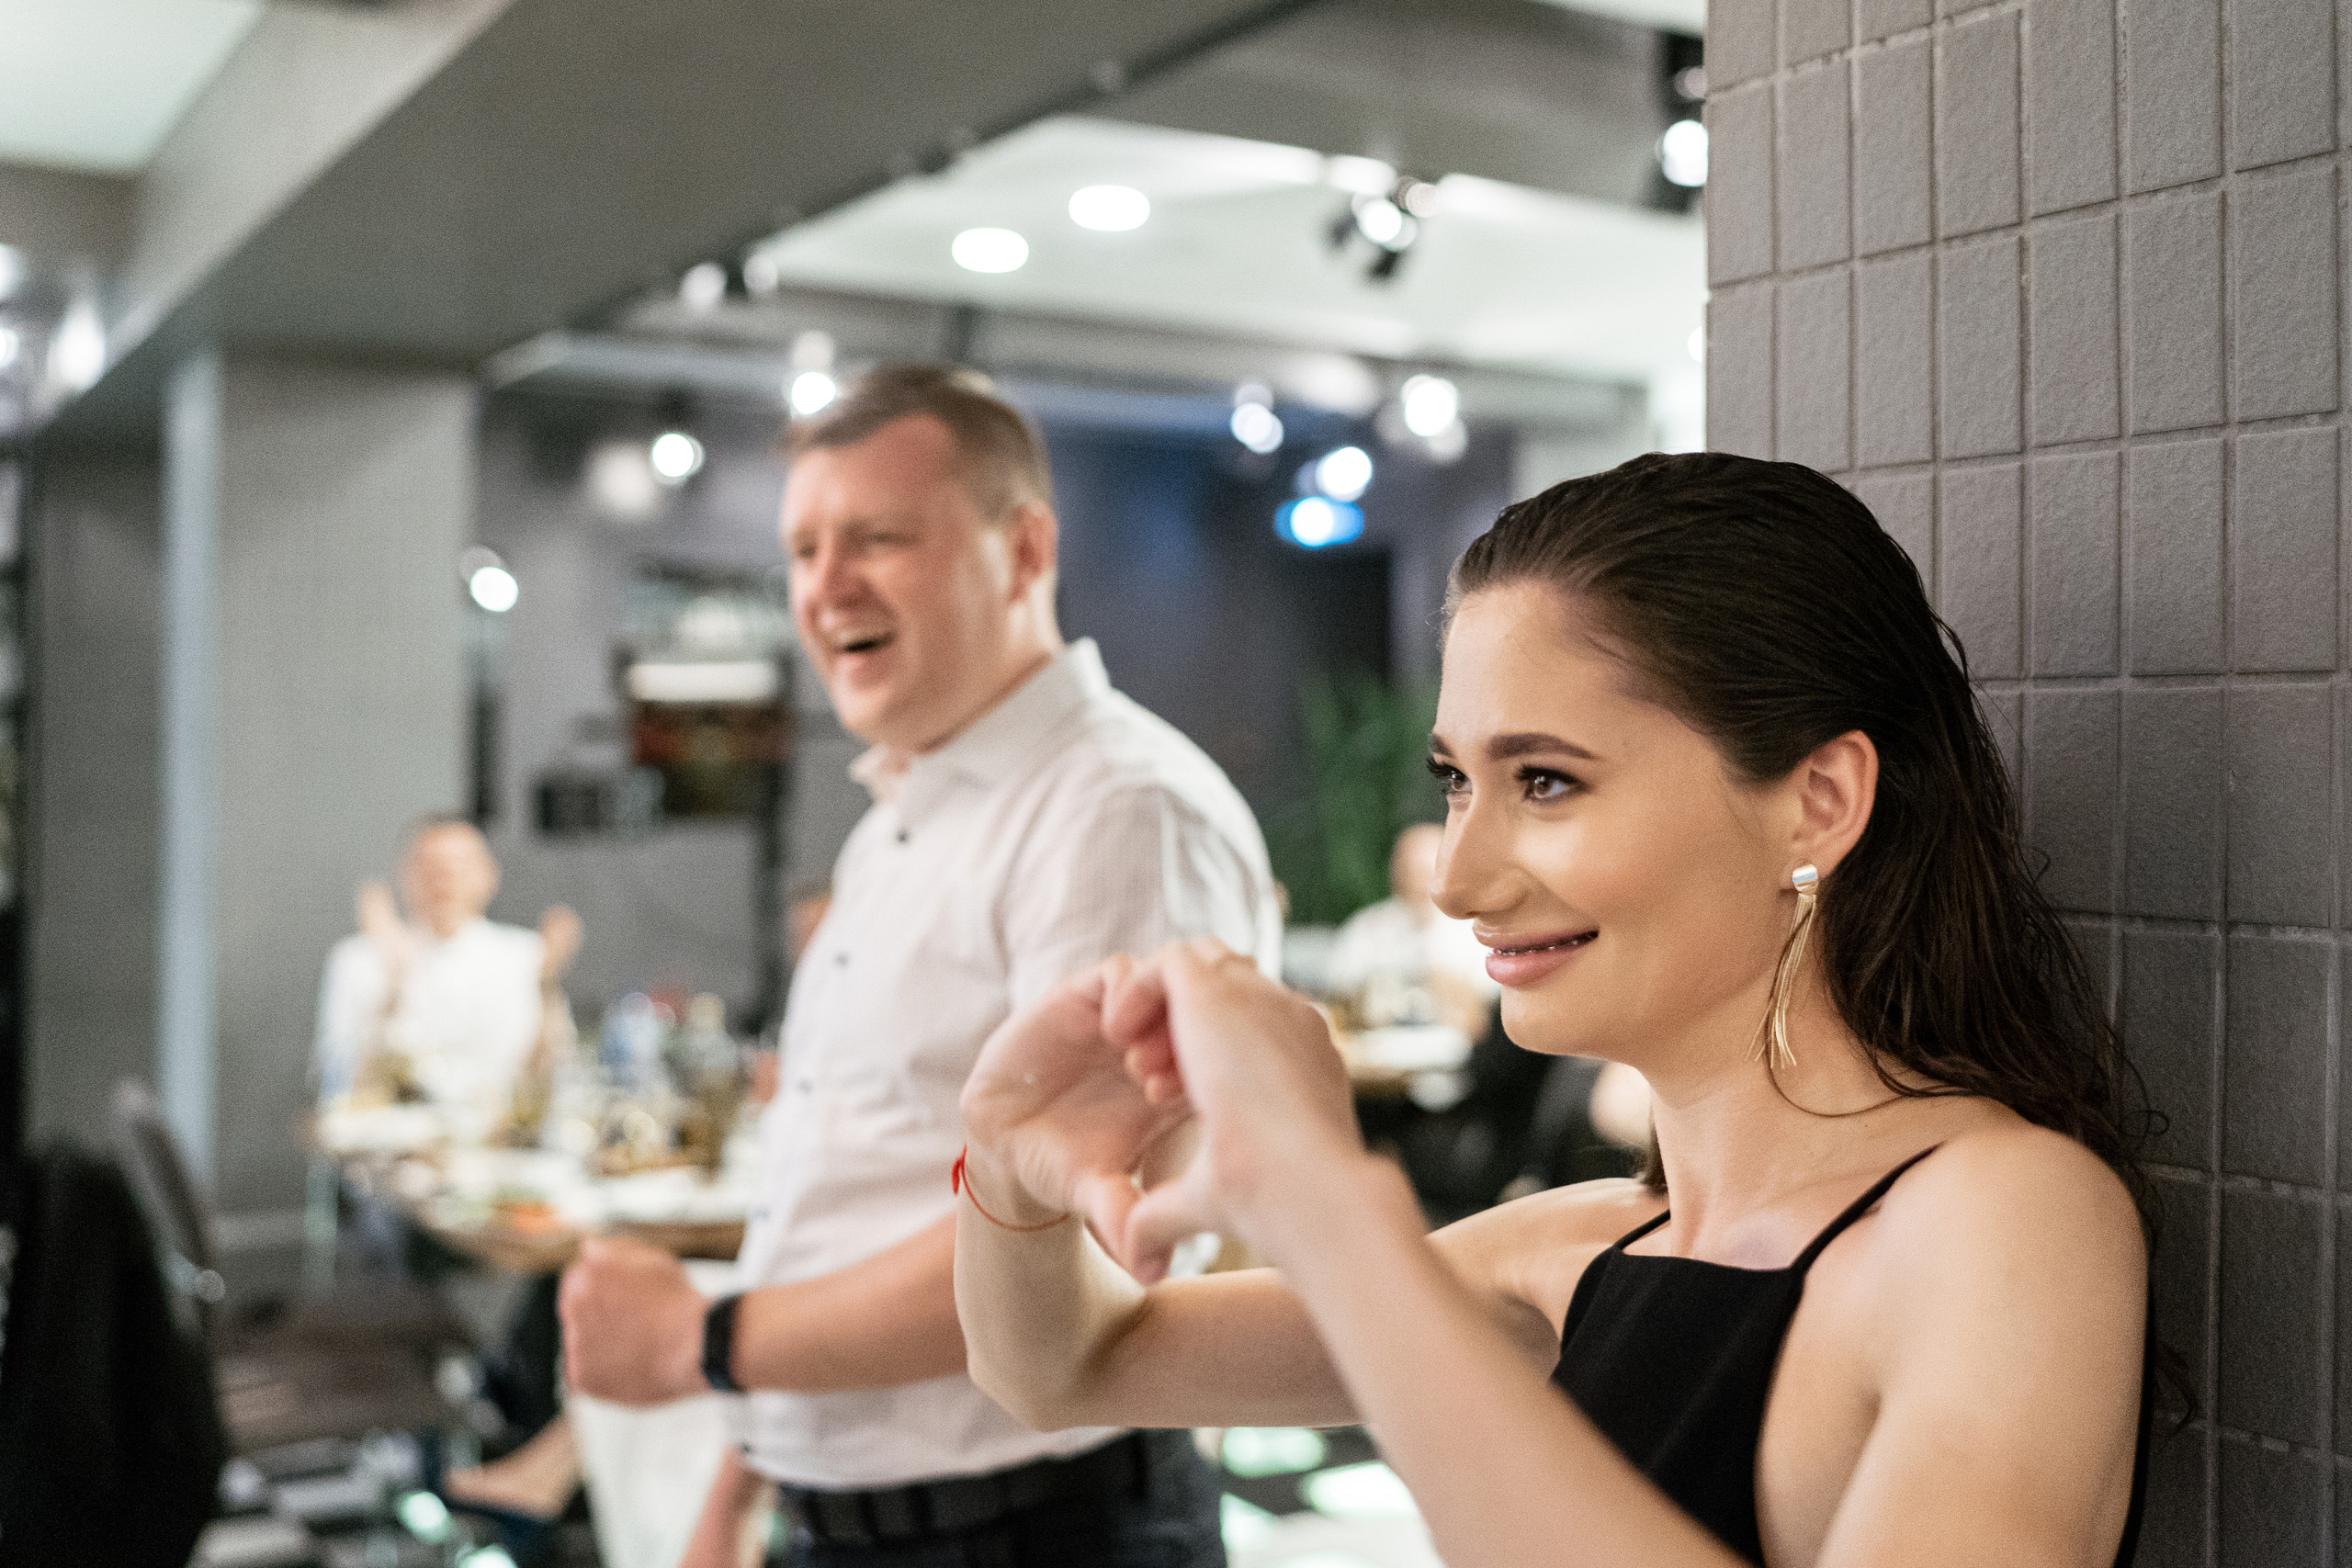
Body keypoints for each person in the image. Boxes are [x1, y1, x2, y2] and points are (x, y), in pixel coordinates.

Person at [952, 453, 2155, 1568]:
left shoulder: (2007, 1218)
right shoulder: (1573, 1248)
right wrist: (1008, 1168)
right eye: (1458, 781)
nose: (1465, 877)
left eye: (1546, 780)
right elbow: (1068, 1363)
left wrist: (1327, 1208)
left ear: (1818, 800)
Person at [559, 365, 1279, 1568]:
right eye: (801, 548)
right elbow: (853, 1181)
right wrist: (741, 1481)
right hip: (843, 1511)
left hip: (1034, 1527)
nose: (825, 586)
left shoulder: (1115, 809)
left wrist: (706, 1338)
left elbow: (1084, 1237)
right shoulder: (903, 805)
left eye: (878, 537)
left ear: (1026, 546)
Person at [313, 815, 582, 1131]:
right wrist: (394, 983)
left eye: (459, 866)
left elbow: (552, 1080)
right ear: (405, 876)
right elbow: (340, 1092)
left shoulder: (525, 955)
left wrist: (546, 984)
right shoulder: (359, 959)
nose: (444, 878)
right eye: (429, 867)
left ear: (489, 875)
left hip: (497, 1144)